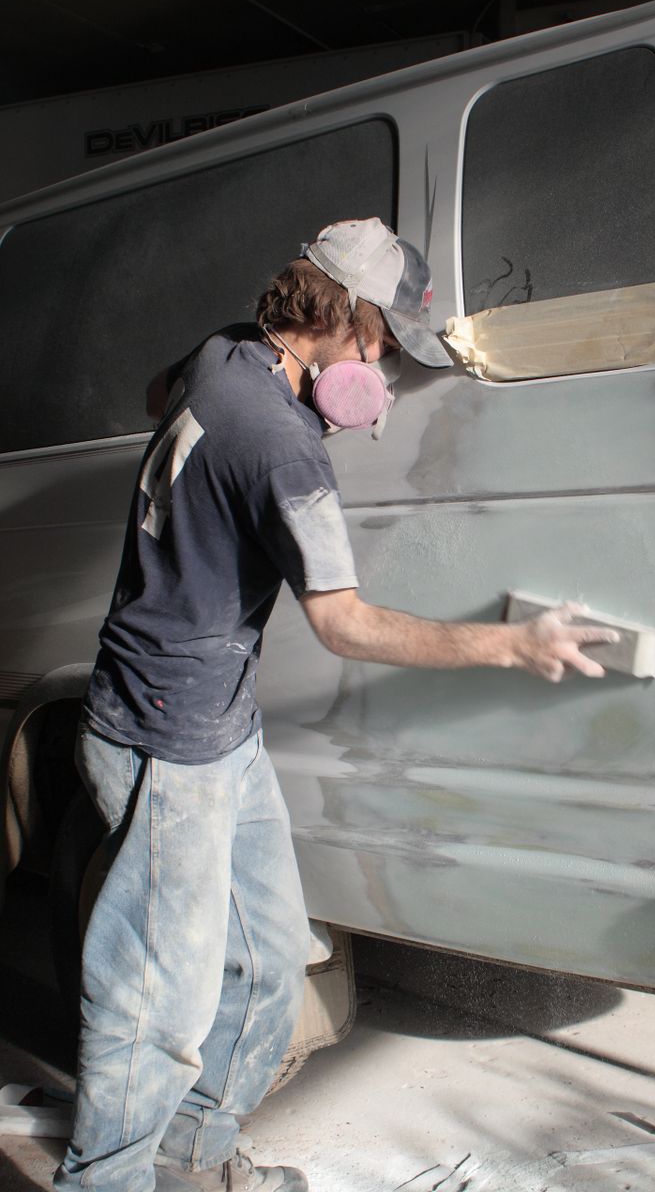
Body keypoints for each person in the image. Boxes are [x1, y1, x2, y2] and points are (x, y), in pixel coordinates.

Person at [54, 217, 617, 1192]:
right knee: (156, 1008)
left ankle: (192, 1161)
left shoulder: (223, 353)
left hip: (213, 727)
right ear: (344, 319)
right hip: (161, 742)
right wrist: (511, 643)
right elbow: (345, 624)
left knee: (270, 964)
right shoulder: (283, 449)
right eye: (384, 344)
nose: (385, 370)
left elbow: (161, 393)